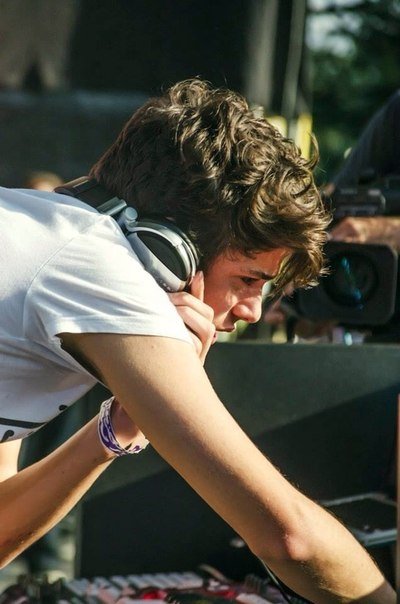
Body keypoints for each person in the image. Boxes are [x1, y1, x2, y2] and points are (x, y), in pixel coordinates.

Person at [0, 79, 395, 603]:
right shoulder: (99, 272)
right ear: (169, 252)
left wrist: (112, 432)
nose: (254, 310)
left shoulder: (43, 243)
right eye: (249, 279)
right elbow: (290, 538)